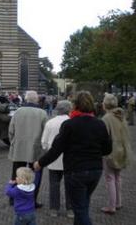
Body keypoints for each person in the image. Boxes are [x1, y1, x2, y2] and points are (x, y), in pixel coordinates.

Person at [34, 91, 112, 225]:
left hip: (76, 171)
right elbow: (107, 149)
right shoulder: (99, 124)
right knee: (83, 205)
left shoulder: (70, 125)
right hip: (95, 170)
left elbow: (56, 149)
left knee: (80, 210)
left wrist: (40, 163)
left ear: (75, 105)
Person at [8, 90, 48, 208]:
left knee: (16, 173)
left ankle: (13, 198)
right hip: (35, 148)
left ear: (26, 99)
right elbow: (45, 133)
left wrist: (13, 142)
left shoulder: (18, 112)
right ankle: (32, 199)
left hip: (19, 146)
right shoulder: (42, 113)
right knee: (35, 175)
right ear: (36, 100)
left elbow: (11, 130)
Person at [41, 100, 73, 218]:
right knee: (70, 184)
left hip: (53, 159)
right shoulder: (72, 122)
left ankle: (54, 209)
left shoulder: (50, 123)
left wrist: (48, 150)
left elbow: (43, 142)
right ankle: (70, 209)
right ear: (69, 109)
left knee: (54, 184)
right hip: (69, 159)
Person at [100, 93, 132, 214]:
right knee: (118, 177)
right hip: (122, 149)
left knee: (110, 178)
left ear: (105, 104)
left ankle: (112, 206)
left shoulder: (106, 118)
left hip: (111, 151)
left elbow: (104, 137)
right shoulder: (121, 116)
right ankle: (118, 202)